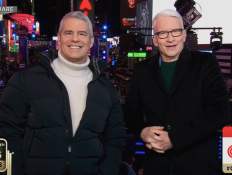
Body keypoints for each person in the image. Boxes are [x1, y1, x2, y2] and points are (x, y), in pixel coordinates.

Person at [0, 11, 126, 175]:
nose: (75, 39)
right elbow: (6, 132)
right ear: (59, 38)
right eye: (68, 33)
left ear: (91, 41)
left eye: (82, 34)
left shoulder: (106, 88)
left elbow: (115, 139)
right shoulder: (25, 80)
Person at [123, 9, 231, 175]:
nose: (171, 38)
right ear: (155, 39)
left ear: (184, 35)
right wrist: (142, 131)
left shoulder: (205, 63)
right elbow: (130, 111)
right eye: (163, 33)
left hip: (199, 166)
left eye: (175, 31)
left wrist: (174, 139)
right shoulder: (142, 70)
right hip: (157, 167)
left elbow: (220, 111)